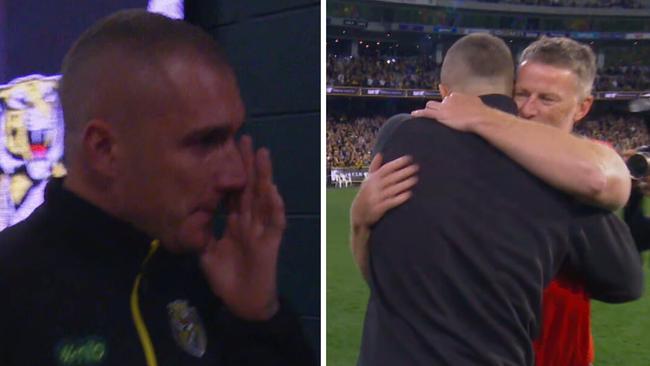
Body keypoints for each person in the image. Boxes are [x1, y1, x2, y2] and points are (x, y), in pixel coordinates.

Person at [0, 10, 314, 366]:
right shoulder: (11, 294)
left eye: (233, 136)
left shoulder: (209, 283)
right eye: (205, 142)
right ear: (104, 150)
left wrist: (259, 319)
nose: (236, 176)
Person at [354, 33, 642, 365]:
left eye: (547, 99)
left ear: (583, 107)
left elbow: (625, 279)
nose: (528, 109)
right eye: (520, 94)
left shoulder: (570, 178)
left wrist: (481, 116)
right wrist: (360, 221)